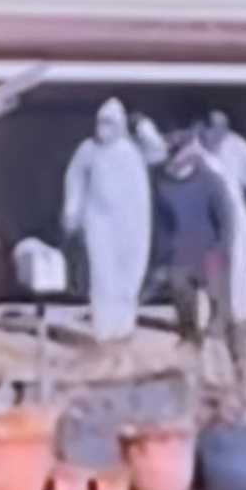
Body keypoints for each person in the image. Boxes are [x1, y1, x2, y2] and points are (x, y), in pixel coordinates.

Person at [61, 98, 152, 342]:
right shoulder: (88, 150)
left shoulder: (134, 150)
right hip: (99, 222)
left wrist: (145, 129)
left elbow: (159, 153)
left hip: (133, 225)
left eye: (110, 122)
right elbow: (75, 180)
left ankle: (123, 329)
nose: (104, 127)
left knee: (129, 276)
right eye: (101, 122)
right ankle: (104, 331)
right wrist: (72, 212)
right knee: (103, 277)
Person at [152, 129, 235, 346]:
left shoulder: (211, 181)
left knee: (220, 309)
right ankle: (190, 342)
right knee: (182, 300)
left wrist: (222, 249)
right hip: (179, 254)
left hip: (211, 252)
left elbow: (226, 220)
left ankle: (231, 354)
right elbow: (161, 225)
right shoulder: (163, 185)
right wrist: (162, 257)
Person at [200, 110, 246, 325]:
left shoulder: (238, 146)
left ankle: (241, 314)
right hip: (207, 217)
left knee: (237, 263)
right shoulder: (199, 148)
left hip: (235, 214)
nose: (215, 131)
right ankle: (212, 314)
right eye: (211, 126)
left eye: (220, 127)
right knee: (211, 267)